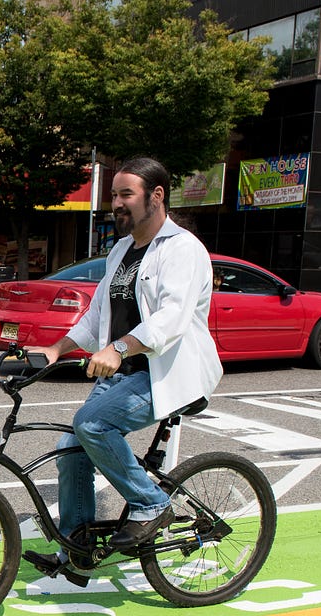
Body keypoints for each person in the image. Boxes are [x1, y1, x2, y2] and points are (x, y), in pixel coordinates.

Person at [24, 157, 223, 575]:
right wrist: (57, 349)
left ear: (156, 196)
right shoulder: (121, 251)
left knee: (93, 425)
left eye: (125, 194)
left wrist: (119, 347)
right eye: (113, 195)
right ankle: (77, 549)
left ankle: (150, 503)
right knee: (72, 449)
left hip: (164, 373)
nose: (116, 203)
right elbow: (97, 315)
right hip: (123, 374)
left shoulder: (182, 249)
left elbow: (170, 319)